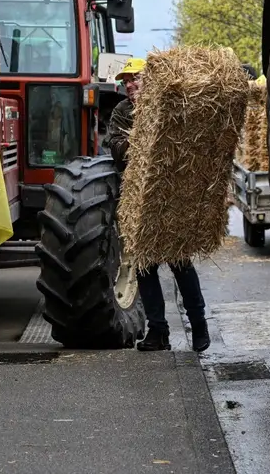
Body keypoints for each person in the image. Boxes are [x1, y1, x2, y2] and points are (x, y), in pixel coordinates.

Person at [105, 57, 211, 353]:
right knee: (145, 265)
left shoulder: (171, 105)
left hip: (171, 195)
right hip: (138, 197)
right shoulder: (122, 111)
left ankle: (199, 326)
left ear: (150, 79)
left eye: (134, 79)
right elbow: (114, 146)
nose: (129, 85)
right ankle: (158, 332)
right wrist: (139, 142)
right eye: (125, 81)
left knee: (179, 262)